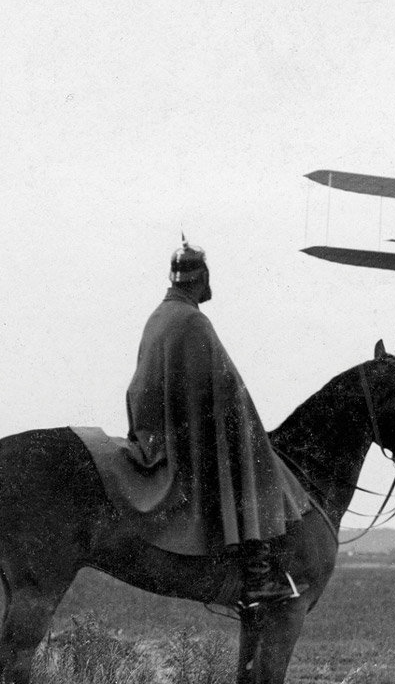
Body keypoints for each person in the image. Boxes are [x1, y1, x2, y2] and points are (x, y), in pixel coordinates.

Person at [124, 238, 306, 604]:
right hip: (182, 443)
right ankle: (257, 573)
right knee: (254, 459)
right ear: (201, 277)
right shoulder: (193, 320)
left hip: (154, 435)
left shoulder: (159, 316)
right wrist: (249, 429)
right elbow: (229, 389)